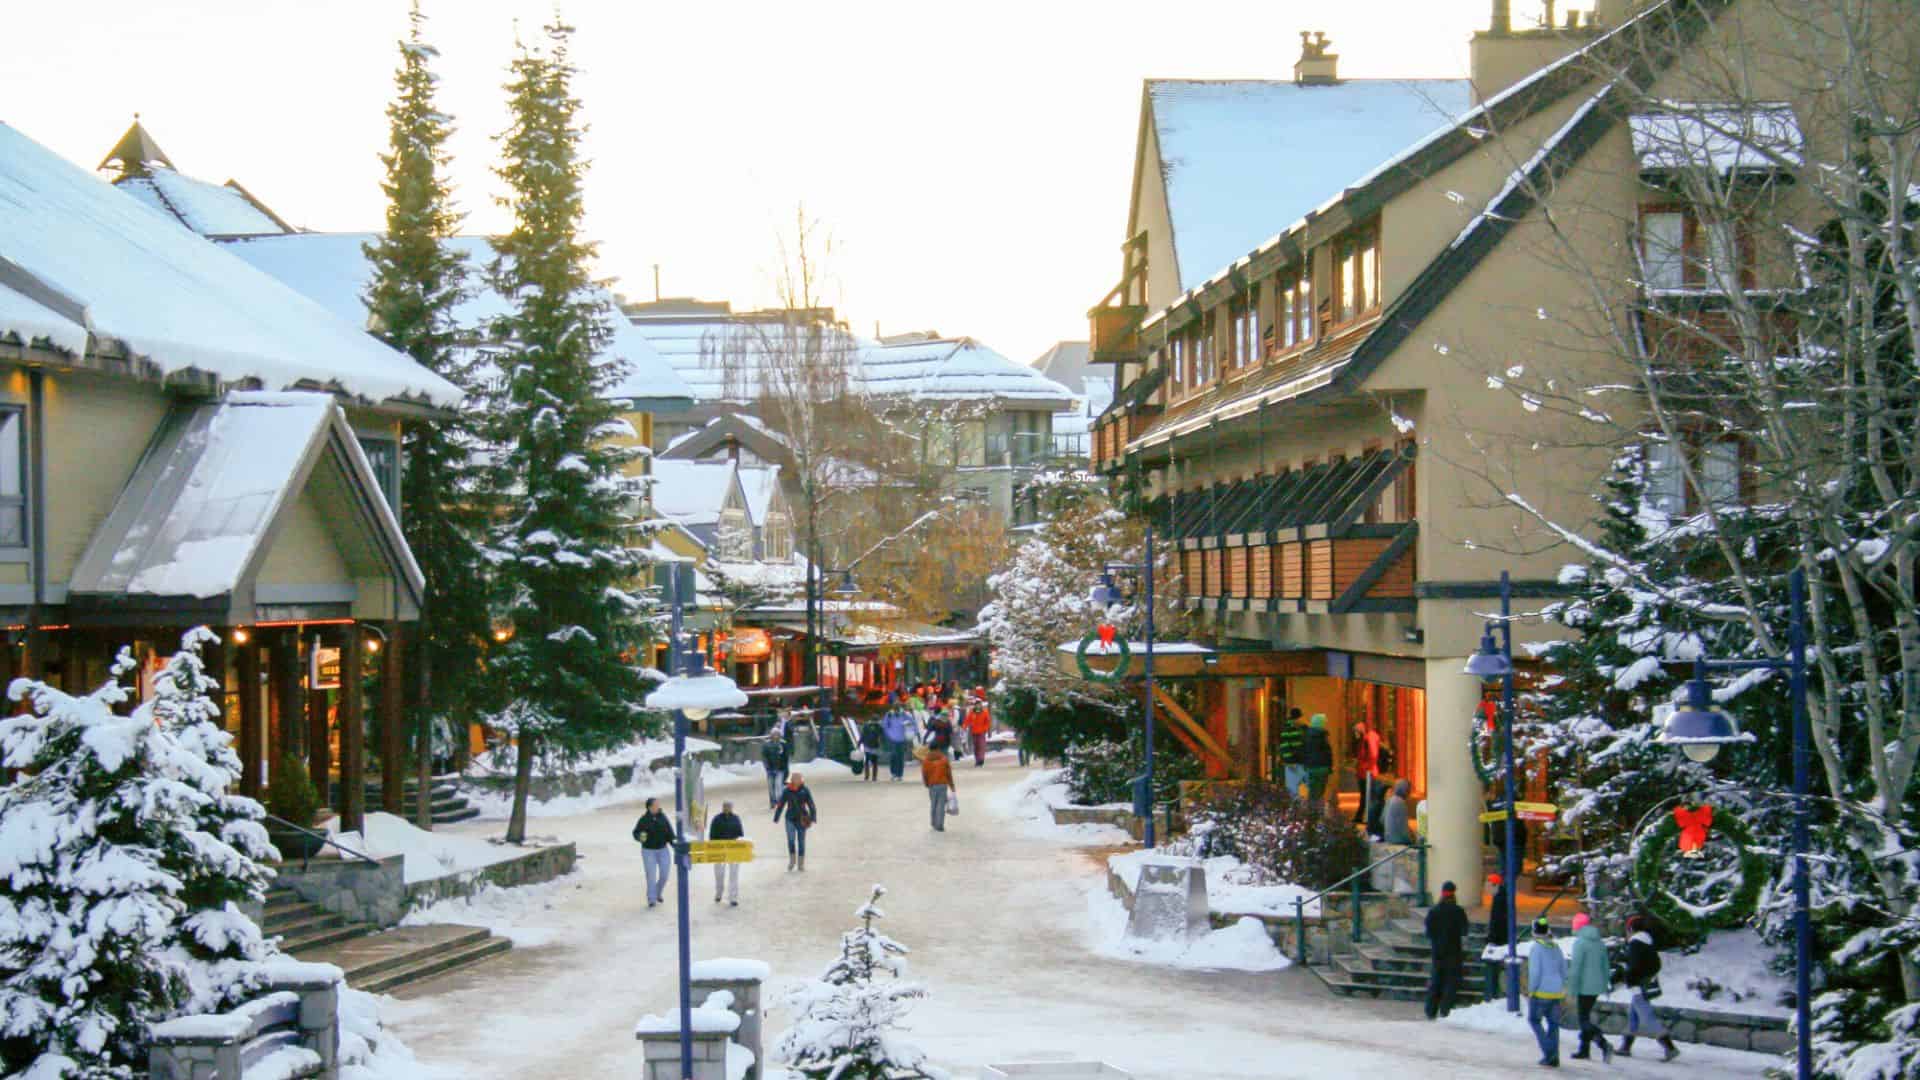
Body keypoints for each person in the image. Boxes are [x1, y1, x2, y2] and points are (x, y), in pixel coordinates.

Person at [1618, 915, 1680, 1061]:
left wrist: (1629, 977)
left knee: (1647, 1018)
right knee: (1633, 1016)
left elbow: (1634, 966)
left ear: (1631, 929)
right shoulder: (1647, 942)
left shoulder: (1635, 943)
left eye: (1627, 929)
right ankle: (1625, 1047)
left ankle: (1670, 1048)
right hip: (1641, 985)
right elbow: (1655, 964)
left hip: (1637, 986)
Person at [1567, 913, 1614, 1062]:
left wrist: (1572, 988)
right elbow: (1606, 965)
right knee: (1585, 1016)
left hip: (1584, 986)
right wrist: (1606, 984)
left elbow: (1576, 968)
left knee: (1583, 1019)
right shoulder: (1599, 942)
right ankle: (1584, 1049)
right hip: (1596, 986)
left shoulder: (1580, 943)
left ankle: (1603, 1043)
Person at [1424, 880, 1470, 1020]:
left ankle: (1431, 1009)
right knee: (1451, 981)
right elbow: (1464, 930)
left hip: (1438, 950)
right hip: (1453, 951)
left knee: (1436, 979)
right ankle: (1446, 1009)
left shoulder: (1434, 911)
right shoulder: (1458, 911)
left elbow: (1429, 932)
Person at [1525, 917, 1568, 1067]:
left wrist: (1531, 991)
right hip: (1556, 993)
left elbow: (1535, 973)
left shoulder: (1536, 949)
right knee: (1553, 1024)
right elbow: (1564, 969)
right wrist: (1562, 985)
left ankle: (1549, 1052)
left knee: (1534, 1020)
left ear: (1534, 932)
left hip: (1541, 993)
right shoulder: (1556, 947)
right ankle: (1554, 1056)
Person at [632, 797, 676, 908]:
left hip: (663, 850)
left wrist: (675, 845)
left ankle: (657, 892)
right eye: (656, 805)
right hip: (648, 851)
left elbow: (670, 833)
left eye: (658, 804)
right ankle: (651, 899)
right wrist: (640, 837)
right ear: (650, 807)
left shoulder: (663, 817)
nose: (659, 806)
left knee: (664, 875)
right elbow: (636, 832)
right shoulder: (644, 819)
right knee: (651, 876)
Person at [772, 773, 817, 872]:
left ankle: (801, 864)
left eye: (799, 779)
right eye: (795, 779)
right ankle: (792, 861)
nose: (797, 781)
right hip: (790, 819)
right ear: (792, 780)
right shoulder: (787, 791)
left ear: (801, 780)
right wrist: (776, 817)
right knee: (791, 840)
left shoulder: (805, 790)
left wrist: (813, 816)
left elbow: (811, 803)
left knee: (801, 842)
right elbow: (781, 804)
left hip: (802, 819)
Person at [708, 799, 744, 906]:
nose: (727, 808)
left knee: (734, 874)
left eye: (729, 806)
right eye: (725, 806)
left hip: (733, 849)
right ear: (722, 807)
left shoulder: (736, 819)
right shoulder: (716, 819)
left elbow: (741, 835)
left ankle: (733, 897)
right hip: (720, 849)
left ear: (732, 808)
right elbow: (712, 836)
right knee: (719, 873)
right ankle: (719, 893)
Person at [1483, 873, 1512, 999]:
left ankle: (1493, 994)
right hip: (1499, 938)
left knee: (1494, 970)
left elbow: (1498, 921)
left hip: (1499, 941)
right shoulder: (1500, 897)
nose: (1486, 888)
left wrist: (1491, 938)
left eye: (1488, 885)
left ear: (1494, 885)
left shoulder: (1500, 899)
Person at [1352, 720, 1382, 829]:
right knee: (1366, 795)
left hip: (1367, 773)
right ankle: (1362, 816)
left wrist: (1365, 767)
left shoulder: (1367, 739)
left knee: (1367, 795)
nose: (1355, 734)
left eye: (1356, 732)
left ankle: (1365, 817)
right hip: (1365, 772)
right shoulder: (1365, 739)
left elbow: (1373, 755)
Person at [1300, 714, 1334, 804]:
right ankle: (1315, 812)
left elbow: (1303, 752)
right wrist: (1330, 767)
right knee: (1319, 792)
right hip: (1322, 767)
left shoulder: (1306, 735)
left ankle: (1312, 811)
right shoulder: (1323, 736)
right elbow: (1327, 753)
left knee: (1313, 791)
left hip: (1311, 767)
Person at [921, 746, 955, 831]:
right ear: (938, 749)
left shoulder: (926, 761)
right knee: (941, 805)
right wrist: (951, 785)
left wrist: (926, 783)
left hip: (932, 785)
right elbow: (948, 773)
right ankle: (939, 825)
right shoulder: (944, 759)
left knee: (933, 804)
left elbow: (925, 774)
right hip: (942, 785)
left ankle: (933, 822)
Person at [1276, 708, 1307, 797]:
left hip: (1299, 762)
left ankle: (1297, 806)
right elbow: (1285, 746)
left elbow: (1284, 746)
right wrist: (1289, 761)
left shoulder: (1298, 728)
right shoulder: (1289, 729)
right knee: (1293, 790)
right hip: (1295, 763)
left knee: (1293, 789)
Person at [760, 733, 789, 809]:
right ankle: (772, 801)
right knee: (771, 787)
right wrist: (767, 767)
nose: (775, 736)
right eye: (774, 734)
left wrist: (785, 770)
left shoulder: (783, 744)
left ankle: (779, 801)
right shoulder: (766, 745)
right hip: (770, 769)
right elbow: (764, 757)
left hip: (780, 769)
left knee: (778, 785)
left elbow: (786, 758)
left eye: (777, 735)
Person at [881, 706, 910, 781]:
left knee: (900, 758)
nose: (897, 711)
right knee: (893, 757)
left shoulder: (903, 715)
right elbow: (884, 725)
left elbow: (910, 723)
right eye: (895, 710)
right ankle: (894, 773)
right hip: (892, 740)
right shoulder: (889, 715)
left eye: (898, 710)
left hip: (901, 740)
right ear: (893, 710)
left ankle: (899, 775)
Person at [1383, 778, 1415, 844]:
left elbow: (1382, 819)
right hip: (1397, 840)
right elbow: (1402, 828)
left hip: (1388, 837)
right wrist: (1411, 840)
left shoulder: (1390, 800)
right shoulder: (1400, 803)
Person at [964, 695, 992, 767]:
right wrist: (965, 726)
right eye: (976, 704)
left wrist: (985, 729)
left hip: (981, 732)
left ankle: (981, 760)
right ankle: (977, 760)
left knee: (981, 746)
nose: (978, 706)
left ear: (981, 705)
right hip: (973, 732)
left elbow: (987, 722)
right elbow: (967, 720)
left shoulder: (984, 712)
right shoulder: (972, 712)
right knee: (976, 747)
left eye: (979, 704)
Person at [860, 713, 885, 782]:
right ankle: (873, 777)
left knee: (868, 761)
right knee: (874, 762)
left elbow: (862, 735)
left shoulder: (867, 725)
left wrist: (859, 744)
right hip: (874, 746)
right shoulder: (879, 726)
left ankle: (868, 777)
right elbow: (882, 736)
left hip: (869, 745)